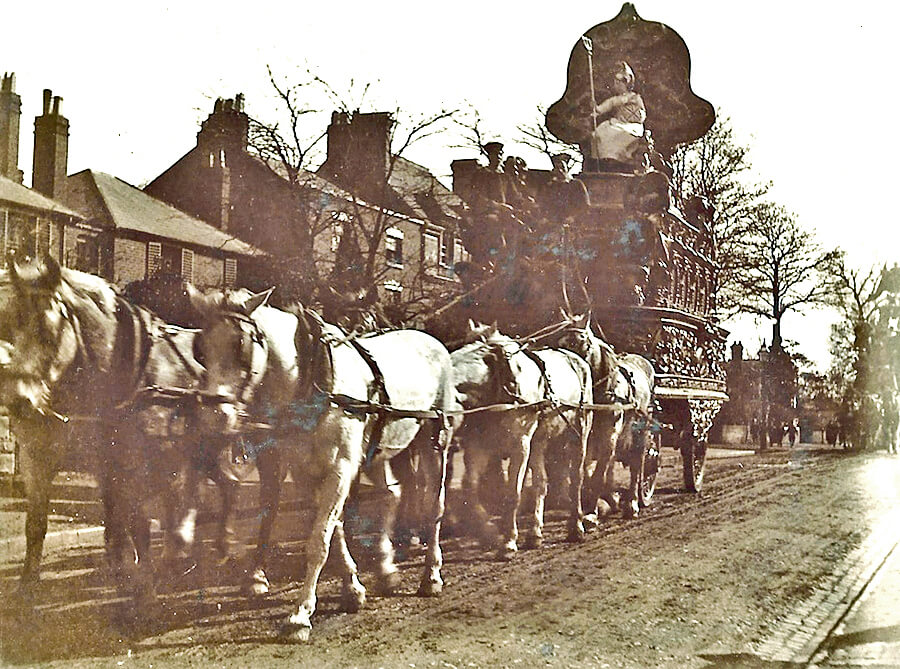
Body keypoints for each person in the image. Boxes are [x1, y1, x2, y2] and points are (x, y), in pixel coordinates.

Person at [590, 61, 649, 172]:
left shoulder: (636, 97)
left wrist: (635, 115)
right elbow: (602, 109)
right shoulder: (615, 99)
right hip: (616, 122)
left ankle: (618, 159)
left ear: (626, 83)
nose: (617, 85)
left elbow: (642, 112)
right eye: (615, 83)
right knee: (599, 133)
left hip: (631, 125)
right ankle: (605, 160)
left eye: (619, 83)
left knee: (620, 134)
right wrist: (595, 109)